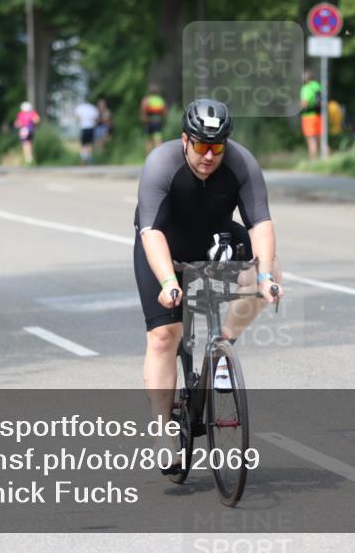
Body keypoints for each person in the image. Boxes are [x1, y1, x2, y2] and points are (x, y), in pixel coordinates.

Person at [133, 98, 284, 473]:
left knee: (272, 270)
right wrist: (169, 282)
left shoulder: (242, 163)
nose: (209, 156)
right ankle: (162, 428)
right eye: (201, 146)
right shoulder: (160, 164)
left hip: (215, 236)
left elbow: (260, 223)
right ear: (185, 140)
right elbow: (151, 231)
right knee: (165, 335)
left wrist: (263, 279)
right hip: (164, 243)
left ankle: (222, 349)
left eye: (218, 147)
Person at [299, 70, 322, 160]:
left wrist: (300, 106)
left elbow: (305, 103)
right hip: (319, 115)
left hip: (309, 117)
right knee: (321, 140)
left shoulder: (306, 88)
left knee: (311, 140)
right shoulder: (318, 86)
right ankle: (328, 159)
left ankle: (314, 161)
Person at [140, 84, 167, 153]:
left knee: (149, 140)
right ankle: (159, 156)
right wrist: (163, 120)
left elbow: (143, 111)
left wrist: (143, 120)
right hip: (158, 121)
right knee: (158, 139)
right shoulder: (160, 100)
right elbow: (165, 111)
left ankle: (148, 157)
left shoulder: (147, 99)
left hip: (149, 121)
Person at [75, 99, 100, 164]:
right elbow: (96, 118)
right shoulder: (92, 107)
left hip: (84, 127)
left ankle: (84, 159)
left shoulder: (80, 107)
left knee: (83, 144)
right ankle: (90, 159)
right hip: (91, 127)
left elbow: (77, 117)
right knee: (90, 144)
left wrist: (81, 121)